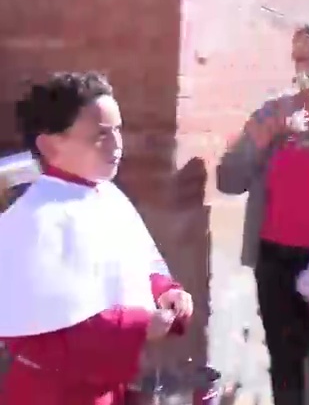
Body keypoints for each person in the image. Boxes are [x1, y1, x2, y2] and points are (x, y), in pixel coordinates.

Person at [0, 72, 194, 404]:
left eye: (118, 131)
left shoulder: (108, 194)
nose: (117, 145)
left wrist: (166, 293)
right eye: (100, 136)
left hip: (110, 388)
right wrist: (139, 325)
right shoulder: (33, 218)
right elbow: (38, 336)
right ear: (50, 144)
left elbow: (136, 264)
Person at [217, 22, 309, 405]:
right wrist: (258, 143)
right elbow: (228, 181)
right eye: (301, 58)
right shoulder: (274, 113)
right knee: (283, 363)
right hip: (274, 257)